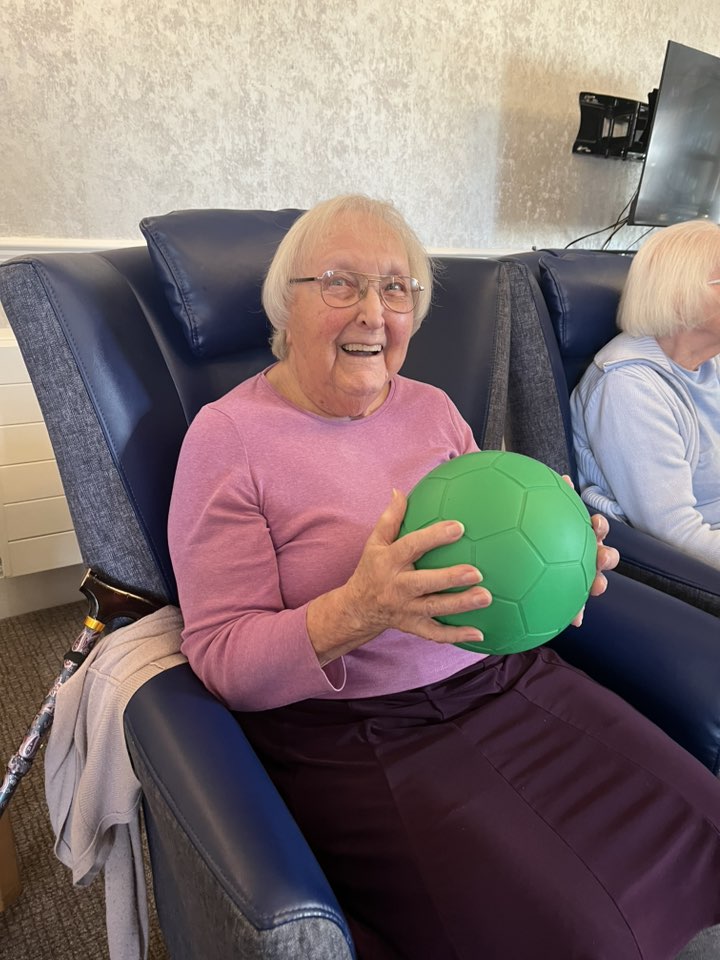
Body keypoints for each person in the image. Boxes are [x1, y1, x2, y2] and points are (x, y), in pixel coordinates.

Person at [167, 195, 720, 960]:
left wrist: (561, 566)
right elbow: (223, 662)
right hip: (362, 734)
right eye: (339, 282)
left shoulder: (432, 410)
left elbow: (495, 549)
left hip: (510, 681)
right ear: (284, 306)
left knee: (706, 822)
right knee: (579, 937)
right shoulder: (226, 439)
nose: (372, 312)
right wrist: (359, 610)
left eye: (397, 289)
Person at [571, 219, 720, 568]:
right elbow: (676, 533)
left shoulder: (709, 364)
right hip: (681, 565)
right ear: (682, 295)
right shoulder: (629, 387)